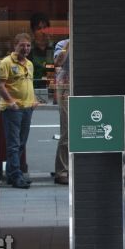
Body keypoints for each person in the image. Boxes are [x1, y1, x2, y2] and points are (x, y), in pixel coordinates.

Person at [0, 33, 38, 189]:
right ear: (15, 45)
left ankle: (11, 174)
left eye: (28, 45)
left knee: (21, 143)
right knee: (14, 144)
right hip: (13, 109)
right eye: (22, 45)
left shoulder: (29, 64)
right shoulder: (6, 63)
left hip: (27, 108)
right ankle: (16, 176)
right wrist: (10, 102)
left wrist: (34, 100)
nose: (25, 48)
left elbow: (29, 84)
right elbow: (0, 85)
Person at [53, 38, 70, 184]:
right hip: (66, 86)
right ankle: (62, 171)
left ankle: (73, 168)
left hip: (83, 83)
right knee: (67, 130)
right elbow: (59, 62)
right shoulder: (62, 44)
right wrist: (69, 44)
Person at [28, 12, 54, 89]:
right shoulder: (28, 50)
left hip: (52, 90)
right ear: (33, 31)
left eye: (45, 28)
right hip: (33, 90)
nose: (42, 31)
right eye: (39, 28)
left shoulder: (54, 47)